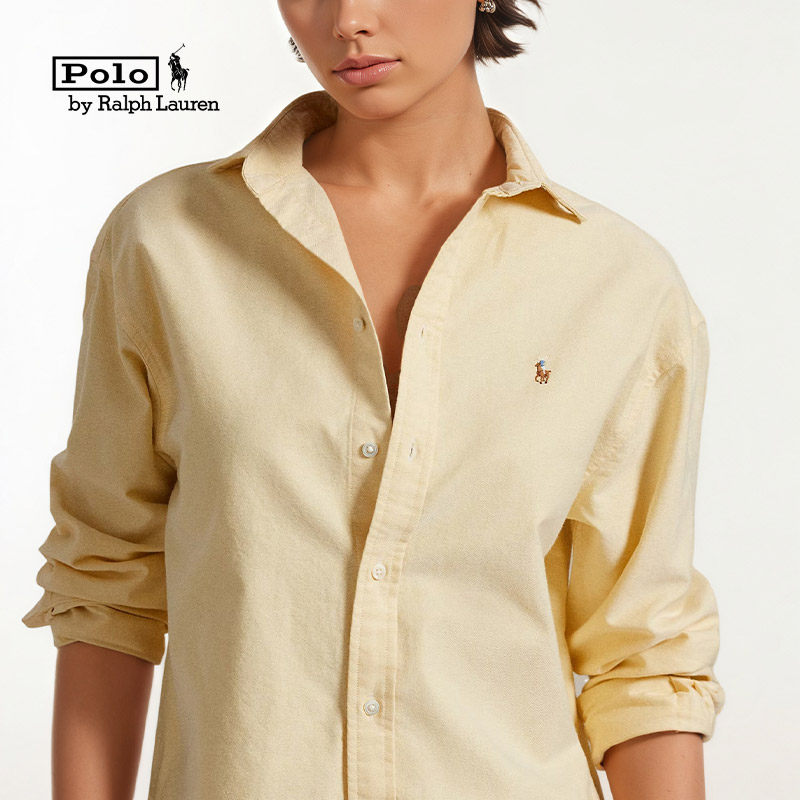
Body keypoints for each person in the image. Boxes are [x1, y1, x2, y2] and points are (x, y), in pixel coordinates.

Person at [21, 2, 726, 798]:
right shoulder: (168, 240)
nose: (349, 19)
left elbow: (643, 654)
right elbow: (106, 579)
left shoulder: (617, 283)